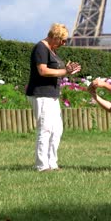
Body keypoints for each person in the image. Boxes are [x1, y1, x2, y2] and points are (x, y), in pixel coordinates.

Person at [26, 23, 81, 172]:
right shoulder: (41, 48)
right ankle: (41, 165)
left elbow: (58, 71)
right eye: (62, 40)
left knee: (57, 130)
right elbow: (42, 70)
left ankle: (52, 163)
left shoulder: (52, 50)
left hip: (52, 95)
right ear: (55, 37)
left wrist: (68, 71)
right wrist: (64, 71)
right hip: (41, 94)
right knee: (45, 129)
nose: (64, 43)